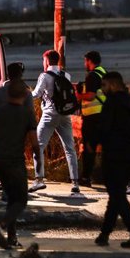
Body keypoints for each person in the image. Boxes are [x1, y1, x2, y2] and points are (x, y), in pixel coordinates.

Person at [0, 80, 41, 250]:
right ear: (24, 95)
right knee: (21, 200)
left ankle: (11, 237)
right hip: (15, 161)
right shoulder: (27, 113)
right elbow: (34, 142)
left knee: (11, 199)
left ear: (7, 95)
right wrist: (39, 162)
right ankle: (2, 224)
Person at [94, 72, 130, 248]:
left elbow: (104, 129)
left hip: (114, 155)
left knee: (117, 195)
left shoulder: (112, 104)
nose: (102, 90)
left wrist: (93, 143)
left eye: (104, 86)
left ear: (112, 84)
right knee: (116, 195)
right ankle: (104, 234)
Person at [29, 50, 80, 196]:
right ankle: (75, 182)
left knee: (38, 146)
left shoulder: (44, 76)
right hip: (65, 115)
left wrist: (25, 94)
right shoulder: (66, 75)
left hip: (49, 116)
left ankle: (39, 180)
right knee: (70, 148)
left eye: (43, 60)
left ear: (46, 61)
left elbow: (37, 94)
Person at [0, 62, 34, 200]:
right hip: (17, 131)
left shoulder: (0, 90)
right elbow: (30, 114)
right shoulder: (25, 92)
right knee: (14, 160)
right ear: (21, 74)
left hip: (0, 128)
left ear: (8, 73)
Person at [76, 50, 106, 187]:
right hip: (104, 116)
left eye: (85, 61)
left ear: (89, 61)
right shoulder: (103, 73)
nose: (84, 64)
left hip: (93, 118)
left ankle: (86, 177)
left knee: (89, 148)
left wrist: (78, 95)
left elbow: (91, 96)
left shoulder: (92, 76)